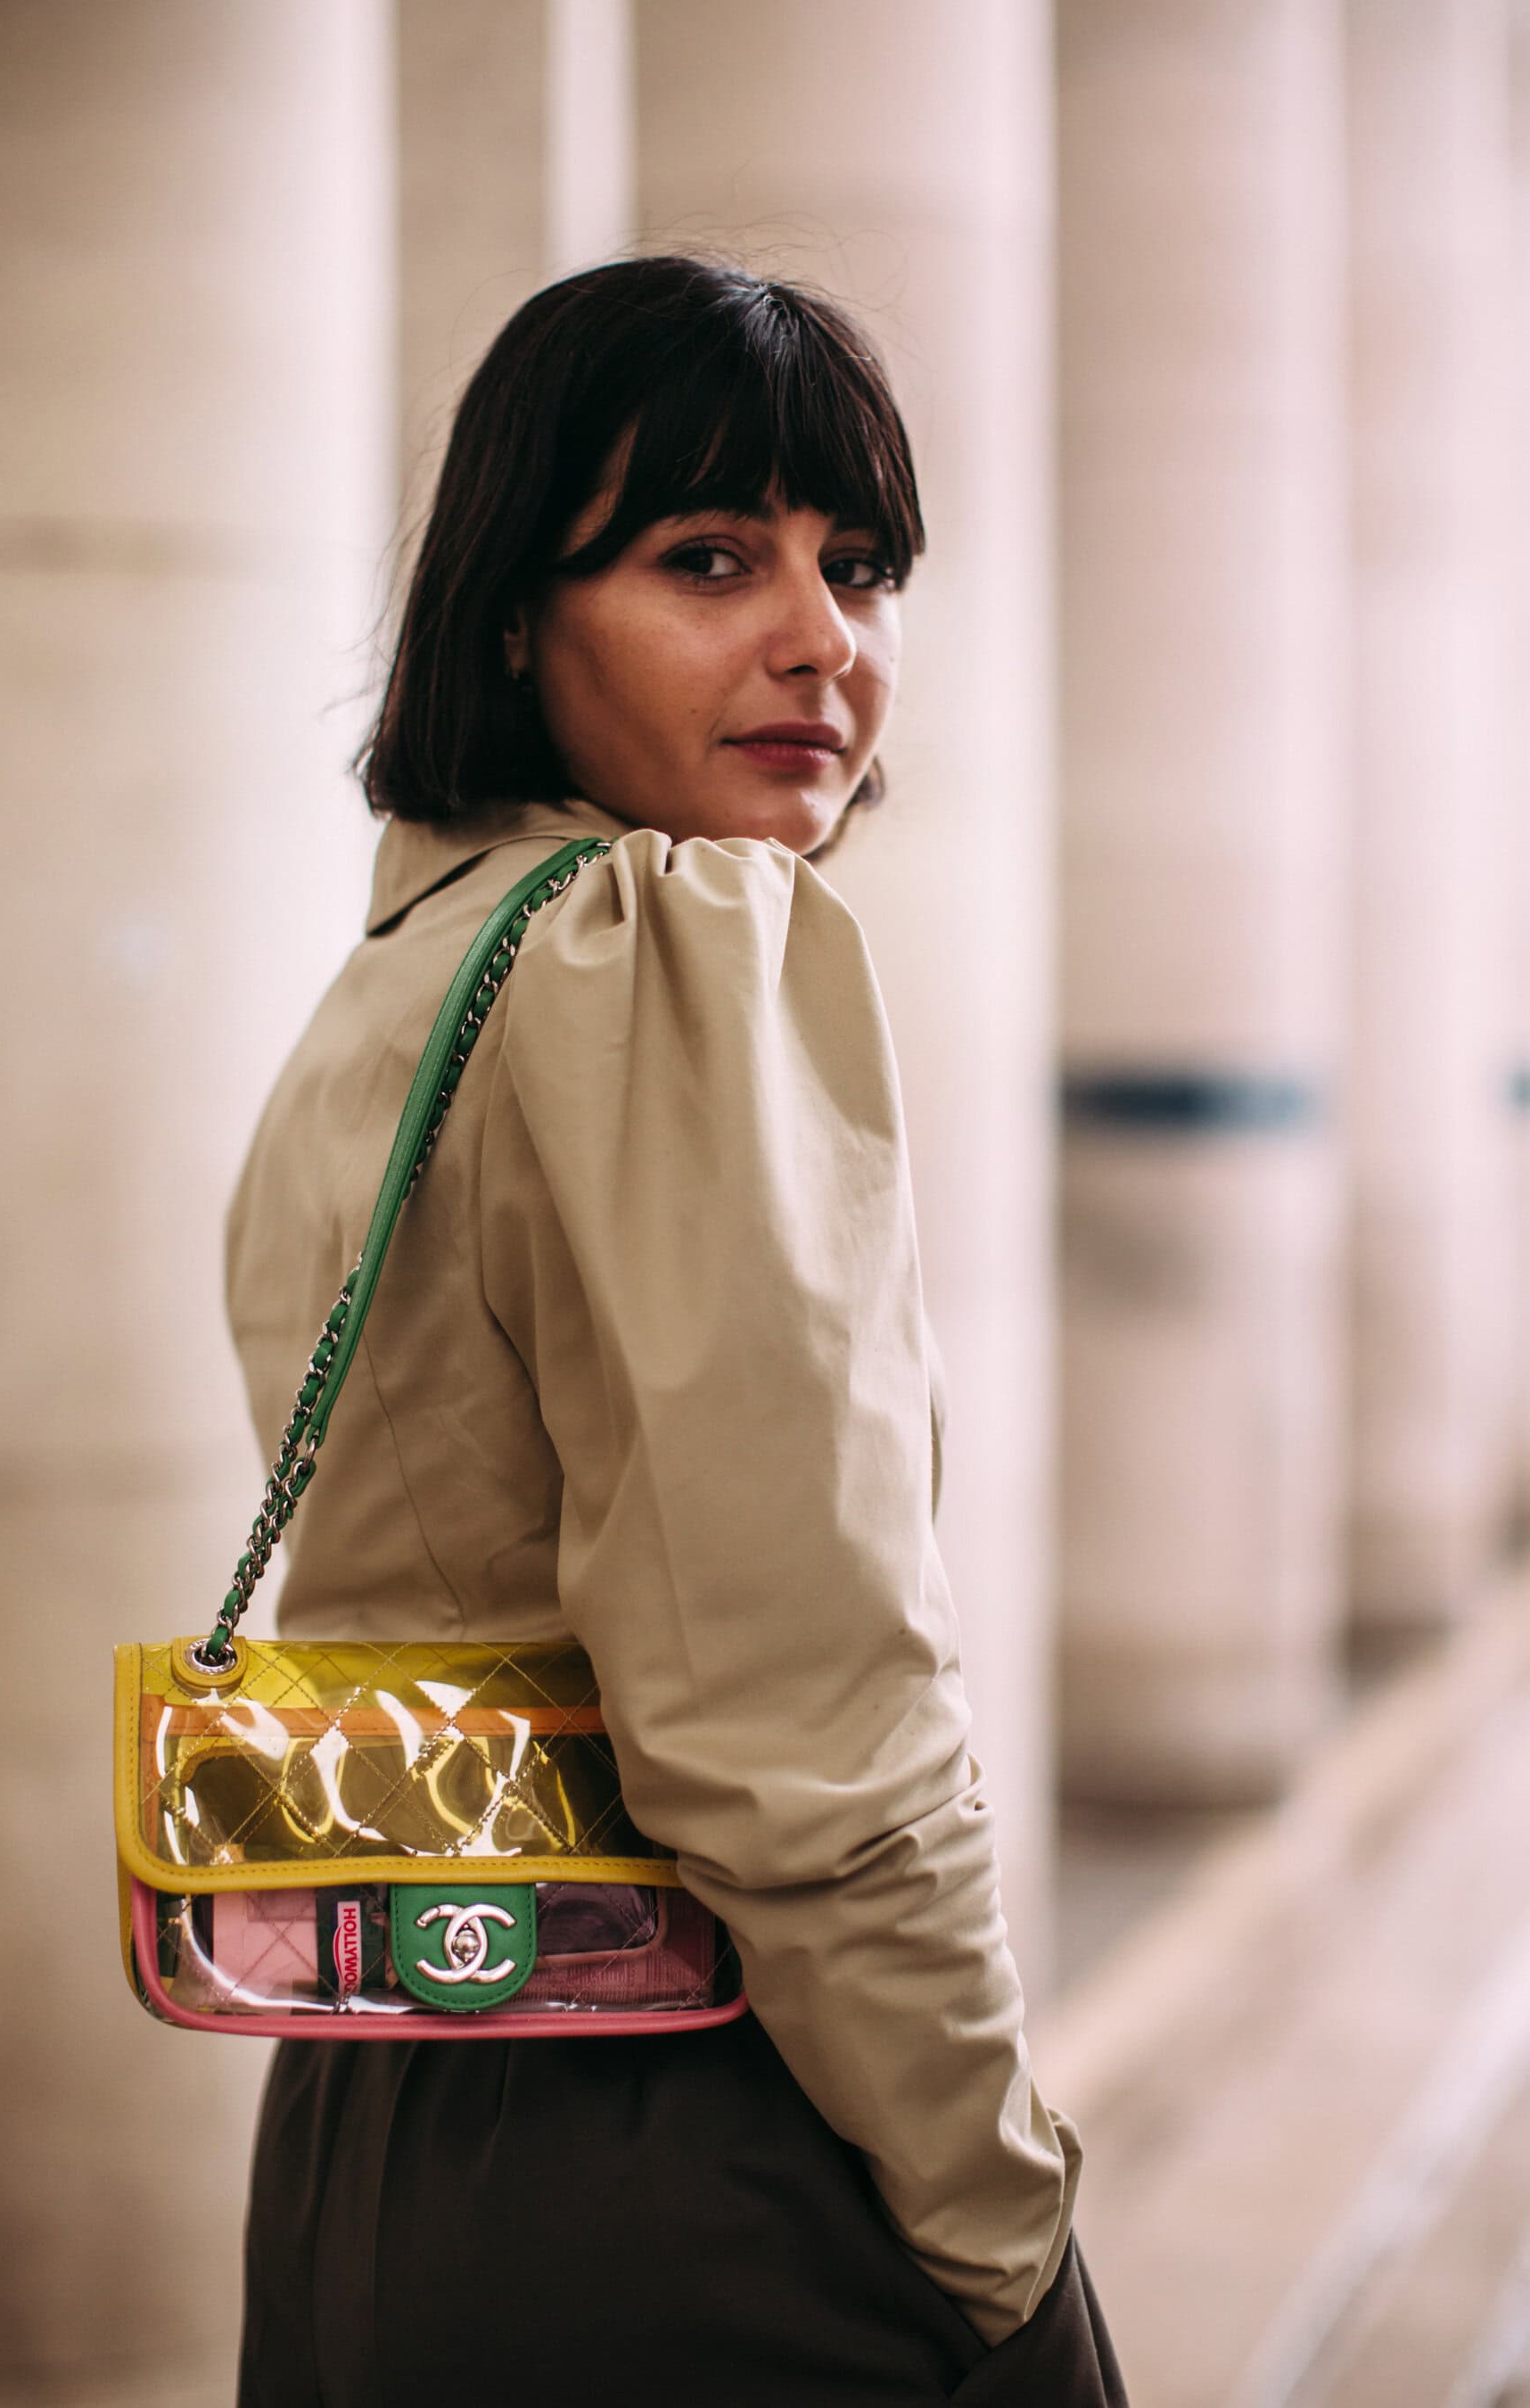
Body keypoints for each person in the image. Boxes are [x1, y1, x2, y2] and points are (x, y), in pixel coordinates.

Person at [226, 255, 1126, 2406]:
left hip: (377, 2105)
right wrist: (1002, 2219)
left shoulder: (408, 974)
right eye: (709, 558)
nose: (824, 642)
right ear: (510, 617)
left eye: (861, 566)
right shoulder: (659, 945)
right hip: (684, 2128)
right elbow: (800, 1726)